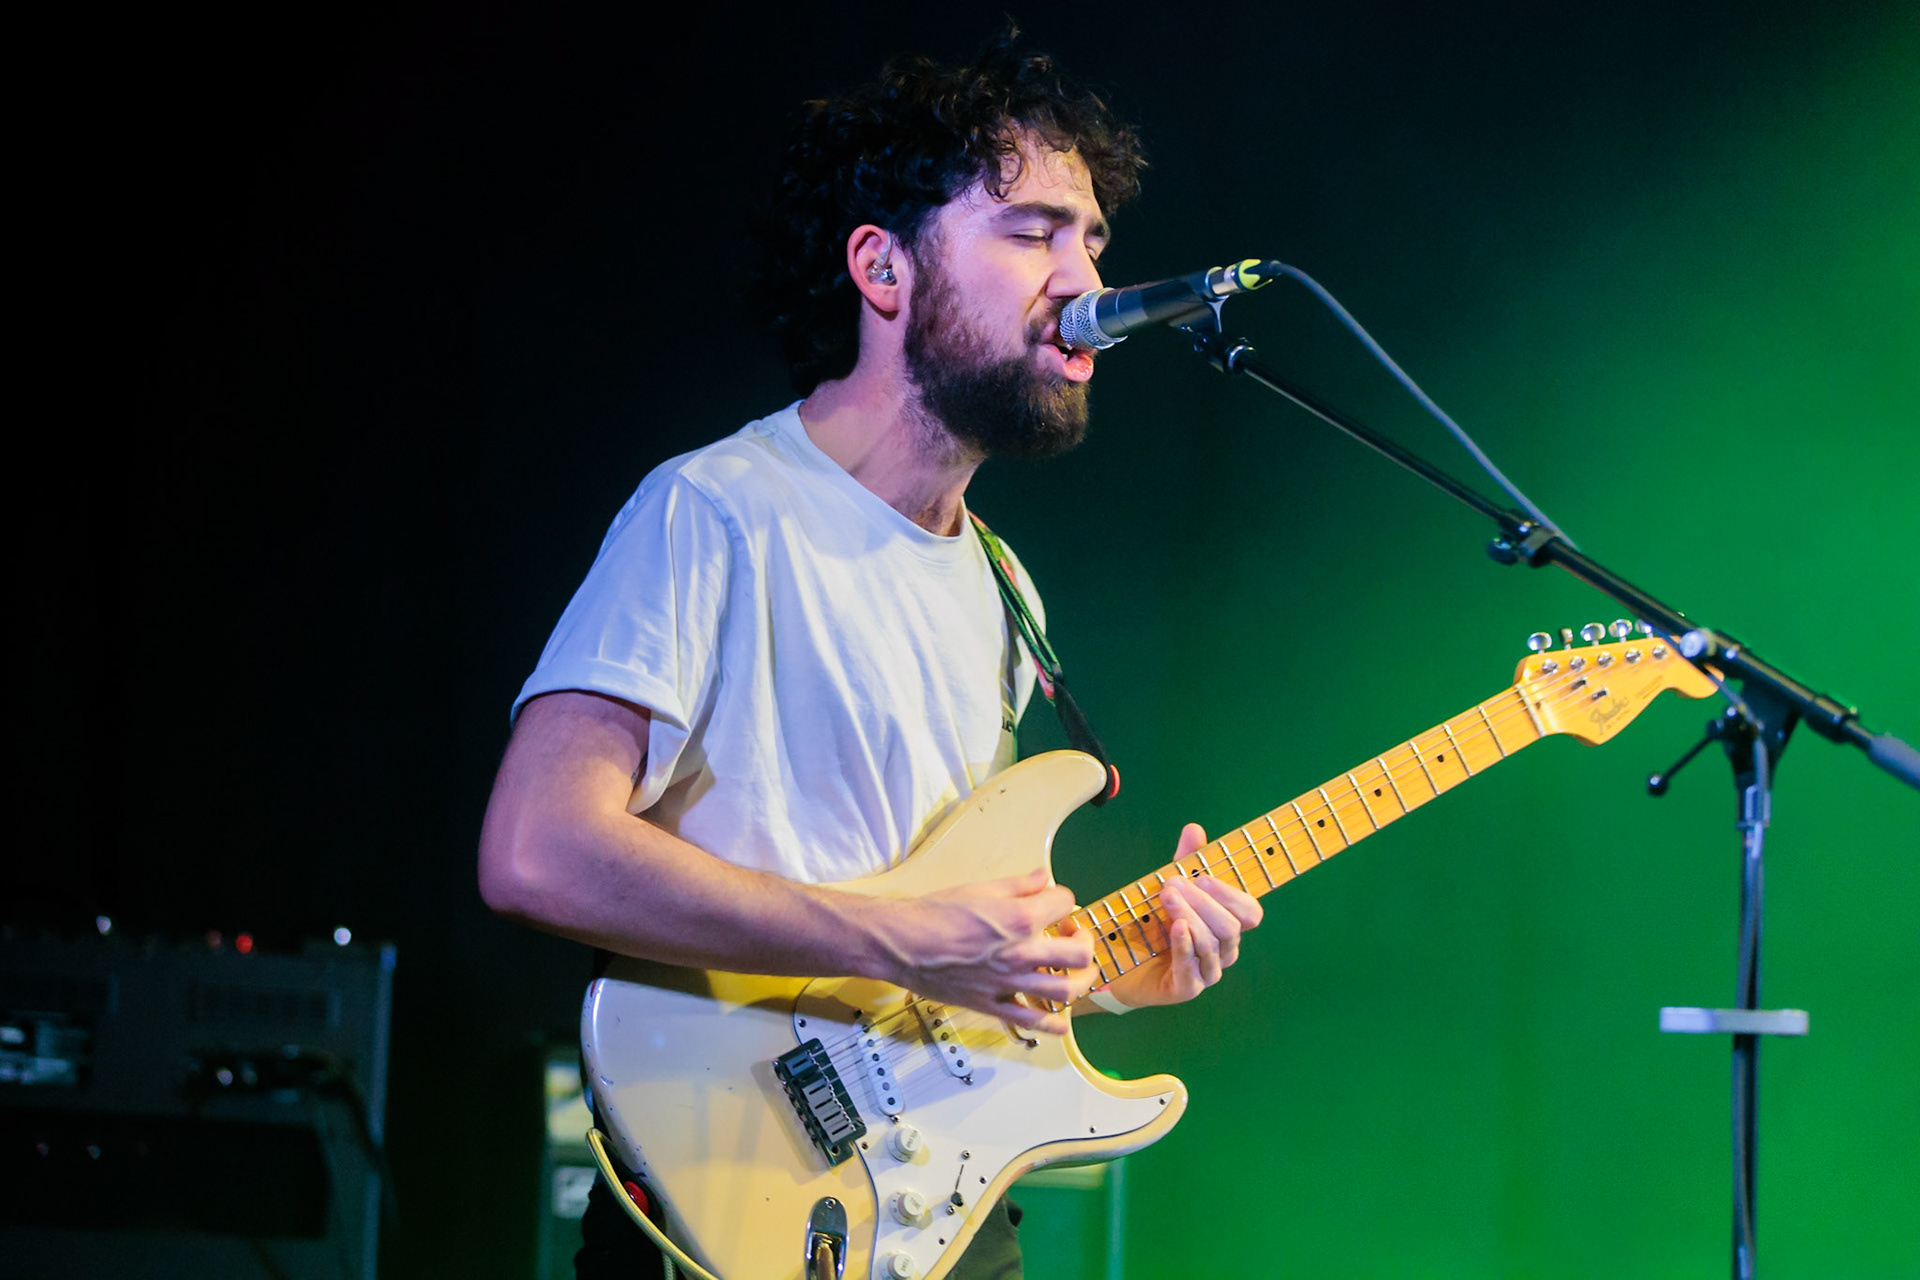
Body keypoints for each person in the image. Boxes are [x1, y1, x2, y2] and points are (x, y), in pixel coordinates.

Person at [478, 32, 1263, 1280]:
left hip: (936, 1215)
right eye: (1031, 231)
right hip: (725, 1195)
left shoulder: (1004, 584)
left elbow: (947, 953)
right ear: (882, 267)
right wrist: (901, 935)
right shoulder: (717, 510)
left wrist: (1107, 976)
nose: (1081, 275)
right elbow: (534, 848)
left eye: (1094, 240)